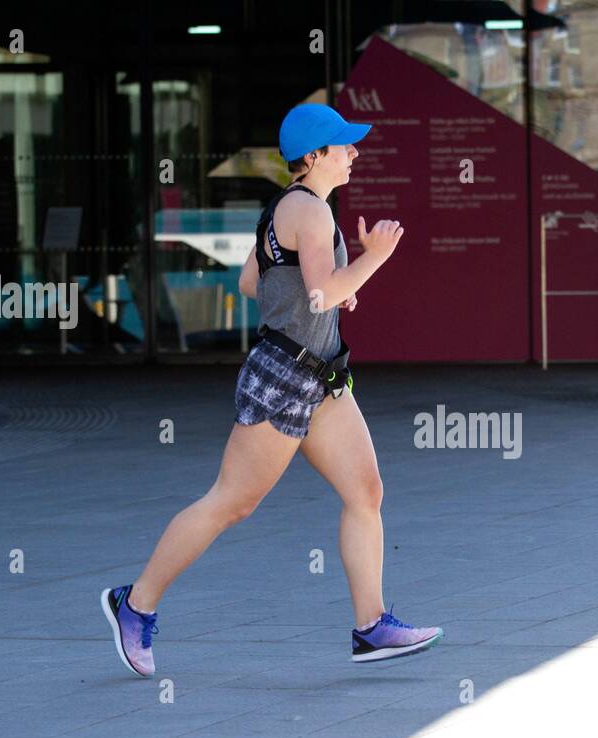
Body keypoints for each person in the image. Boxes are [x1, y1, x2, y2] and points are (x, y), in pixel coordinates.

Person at [101, 103, 443, 677]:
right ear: (314, 155)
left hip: (320, 376)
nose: (353, 153)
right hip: (284, 378)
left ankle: (371, 626)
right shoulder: (310, 211)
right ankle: (134, 605)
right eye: (343, 145)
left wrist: (330, 292)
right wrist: (371, 261)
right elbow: (319, 292)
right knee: (230, 502)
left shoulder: (289, 208)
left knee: (366, 492)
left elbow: (252, 281)